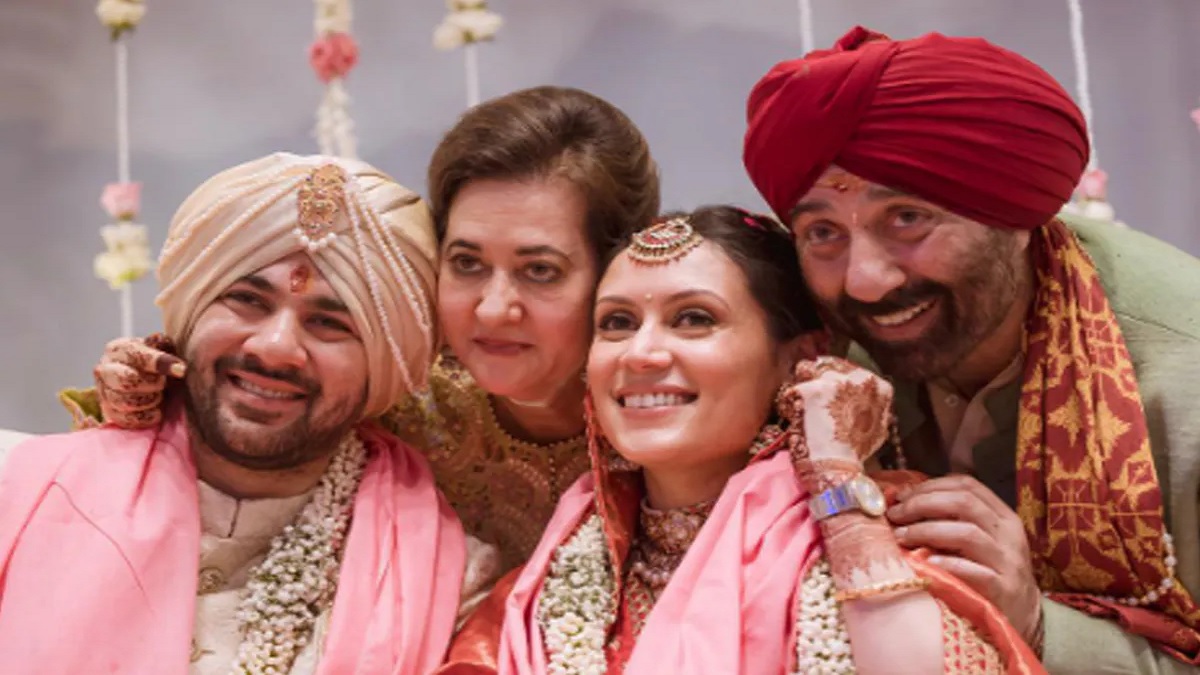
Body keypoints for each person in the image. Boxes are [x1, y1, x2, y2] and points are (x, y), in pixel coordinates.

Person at [743, 26, 1200, 673]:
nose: (864, 280)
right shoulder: (815, 353)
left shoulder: (1183, 379)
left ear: (1016, 215)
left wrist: (1037, 622)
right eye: (822, 231)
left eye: (907, 218)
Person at [62, 85, 661, 573]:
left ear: (613, 268)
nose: (492, 310)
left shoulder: (670, 405)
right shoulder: (398, 390)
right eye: (467, 263)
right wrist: (149, 400)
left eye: (540, 271)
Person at [442, 207, 1043, 674]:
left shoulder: (897, 538)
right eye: (617, 323)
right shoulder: (536, 597)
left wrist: (836, 483)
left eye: (693, 318)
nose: (641, 353)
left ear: (801, 357)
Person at [0, 153, 485, 673]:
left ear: (384, 366)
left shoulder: (455, 589)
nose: (275, 348)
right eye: (248, 300)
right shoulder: (16, 491)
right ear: (192, 310)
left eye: (329, 324)